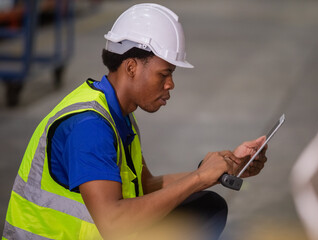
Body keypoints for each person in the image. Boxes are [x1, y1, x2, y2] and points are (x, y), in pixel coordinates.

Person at [2, 3, 268, 240]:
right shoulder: (89, 126)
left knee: (206, 208)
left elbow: (145, 185)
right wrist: (198, 177)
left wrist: (223, 168)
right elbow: (114, 225)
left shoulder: (118, 113)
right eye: (164, 73)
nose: (170, 84)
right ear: (131, 67)